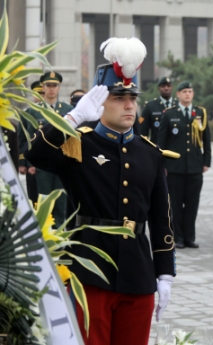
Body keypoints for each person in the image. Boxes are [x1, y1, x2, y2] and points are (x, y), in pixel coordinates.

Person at [24, 37, 176, 345]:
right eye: (119, 97)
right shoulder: (79, 141)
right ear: (99, 101)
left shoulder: (150, 153)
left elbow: (161, 218)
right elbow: (36, 154)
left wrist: (165, 273)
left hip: (137, 273)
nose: (129, 105)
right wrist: (72, 118)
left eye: (132, 97)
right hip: (89, 271)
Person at [157, 81, 211, 249]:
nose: (188, 94)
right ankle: (178, 237)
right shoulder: (169, 114)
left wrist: (206, 161)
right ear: (178, 94)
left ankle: (190, 237)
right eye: (184, 91)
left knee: (192, 204)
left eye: (190, 91)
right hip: (175, 167)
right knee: (176, 204)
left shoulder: (200, 113)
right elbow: (161, 142)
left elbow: (206, 139)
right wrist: (163, 164)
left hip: (195, 166)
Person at [23, 71, 73, 227]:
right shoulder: (33, 110)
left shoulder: (67, 109)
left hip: (62, 161)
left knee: (61, 201)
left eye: (55, 86)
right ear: (43, 88)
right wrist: (30, 164)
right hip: (42, 164)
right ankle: (45, 233)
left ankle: (59, 233)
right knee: (43, 199)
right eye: (48, 86)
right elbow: (29, 138)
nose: (51, 89)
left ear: (59, 88)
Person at [18, 80, 43, 204]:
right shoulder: (26, 113)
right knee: (34, 195)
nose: (40, 97)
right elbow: (22, 139)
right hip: (31, 161)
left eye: (42, 93)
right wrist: (23, 162)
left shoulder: (56, 111)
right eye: (38, 94)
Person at [139, 77, 178, 143]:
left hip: (175, 149)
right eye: (163, 86)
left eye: (169, 86)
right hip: (156, 148)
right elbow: (142, 132)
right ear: (158, 89)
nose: (166, 88)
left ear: (172, 88)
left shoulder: (178, 105)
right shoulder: (150, 106)